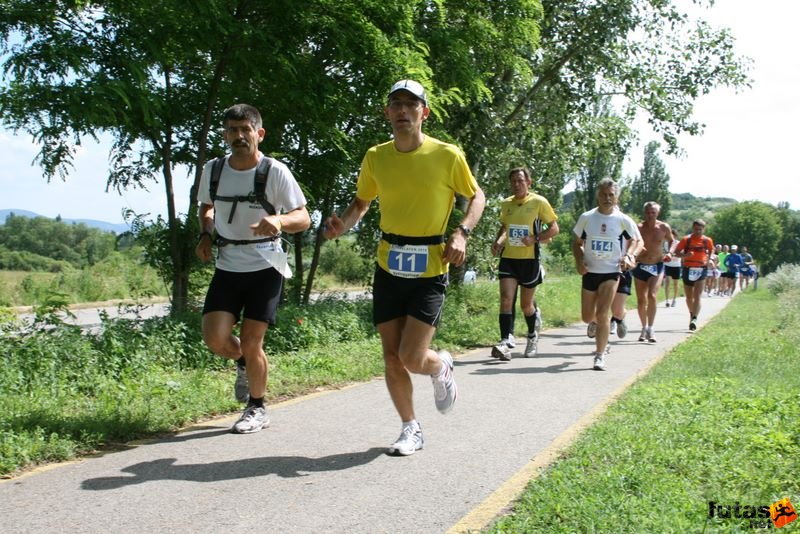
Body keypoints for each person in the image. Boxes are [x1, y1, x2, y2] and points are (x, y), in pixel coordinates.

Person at [322, 80, 486, 456]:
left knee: (413, 357)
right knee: (391, 355)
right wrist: (341, 225)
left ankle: (439, 366)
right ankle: (410, 428)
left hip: (430, 266)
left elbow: (476, 195)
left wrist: (461, 233)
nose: (402, 111)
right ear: (387, 113)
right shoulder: (376, 157)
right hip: (388, 263)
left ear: (423, 113)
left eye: (411, 105)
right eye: (395, 104)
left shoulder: (446, 155)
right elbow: (361, 203)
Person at [196, 103, 311, 434]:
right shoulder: (214, 170)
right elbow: (207, 206)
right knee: (215, 339)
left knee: (251, 339)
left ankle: (257, 407)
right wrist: (205, 234)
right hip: (228, 264)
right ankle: (243, 363)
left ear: (259, 134)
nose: (239, 136)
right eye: (232, 130)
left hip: (265, 265)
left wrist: (277, 219)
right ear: (225, 135)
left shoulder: (274, 171)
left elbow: (303, 217)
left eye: (245, 130)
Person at [572, 179, 643, 371]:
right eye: (604, 194)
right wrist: (579, 260)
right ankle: (599, 331)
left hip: (612, 271)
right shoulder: (587, 217)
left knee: (603, 313)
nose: (607, 198)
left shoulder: (622, 219)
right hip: (590, 271)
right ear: (598, 195)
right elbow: (577, 242)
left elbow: (638, 241)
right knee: (588, 317)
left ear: (616, 197)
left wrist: (629, 255)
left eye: (611, 195)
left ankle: (599, 354)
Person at [489, 167, 559, 360]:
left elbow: (554, 228)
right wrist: (498, 242)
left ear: (529, 182)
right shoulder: (506, 204)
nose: (517, 184)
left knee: (526, 305)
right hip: (509, 259)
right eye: (513, 181)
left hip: (529, 260)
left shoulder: (538, 202)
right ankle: (505, 341)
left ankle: (532, 335)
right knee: (505, 299)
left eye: (521, 181)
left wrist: (535, 238)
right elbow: (505, 228)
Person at [632, 201, 674, 343]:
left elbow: (672, 241)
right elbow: (631, 242)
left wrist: (669, 253)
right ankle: (643, 328)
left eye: (653, 213)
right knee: (641, 299)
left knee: (652, 295)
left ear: (658, 213)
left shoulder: (663, 227)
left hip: (657, 265)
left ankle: (651, 327)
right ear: (645, 213)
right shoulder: (638, 227)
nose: (650, 215)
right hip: (640, 265)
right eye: (648, 213)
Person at [670, 220, 714, 331]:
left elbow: (711, 250)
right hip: (688, 268)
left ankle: (694, 318)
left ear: (703, 229)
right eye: (696, 229)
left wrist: (710, 259)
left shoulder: (707, 240)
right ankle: (692, 313)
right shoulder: (686, 240)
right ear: (692, 228)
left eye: (700, 229)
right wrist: (686, 255)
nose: (698, 231)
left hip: (701, 268)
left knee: (697, 295)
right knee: (689, 297)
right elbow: (676, 252)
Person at [663, 228, 682, 307]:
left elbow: (680, 254)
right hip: (668, 265)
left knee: (675, 283)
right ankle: (667, 300)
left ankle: (674, 299)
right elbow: (665, 252)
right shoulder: (666, 243)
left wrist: (672, 255)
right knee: (667, 282)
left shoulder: (678, 243)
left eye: (673, 235)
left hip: (676, 265)